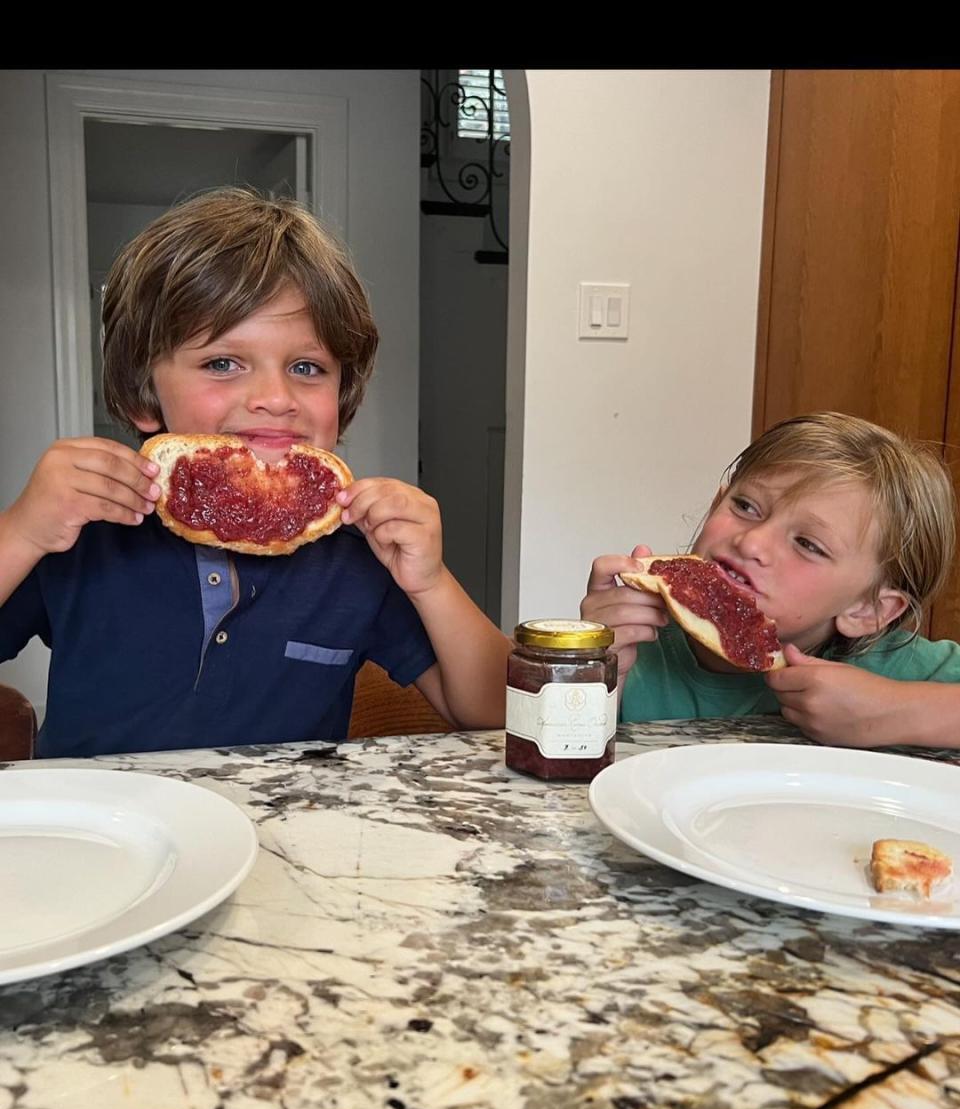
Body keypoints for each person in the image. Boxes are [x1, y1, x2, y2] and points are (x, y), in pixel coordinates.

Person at [0, 188, 510, 757]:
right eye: (222, 363)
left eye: (306, 367)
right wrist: (20, 532)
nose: (275, 397)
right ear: (144, 395)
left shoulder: (356, 559)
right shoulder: (81, 533)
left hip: (282, 837)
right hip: (103, 833)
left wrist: (431, 582)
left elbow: (492, 711)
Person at [581, 411, 960, 748]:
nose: (752, 541)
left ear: (869, 609)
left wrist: (893, 711)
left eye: (808, 544)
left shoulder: (887, 665)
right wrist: (589, 668)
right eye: (745, 506)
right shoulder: (637, 645)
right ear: (716, 503)